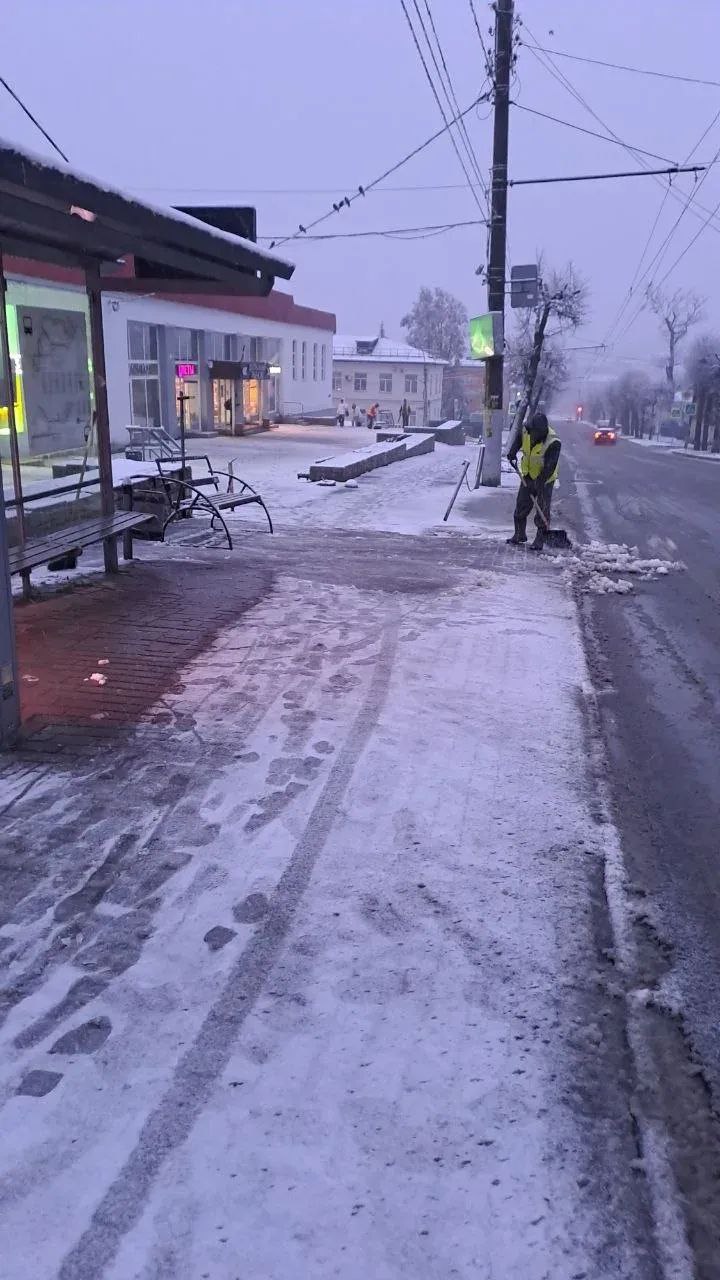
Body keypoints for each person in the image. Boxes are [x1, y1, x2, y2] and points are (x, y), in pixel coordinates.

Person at [506, 411, 561, 551]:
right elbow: (519, 438)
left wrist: (537, 484)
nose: (539, 436)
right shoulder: (526, 430)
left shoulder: (553, 442)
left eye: (541, 434)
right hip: (528, 474)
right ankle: (519, 535)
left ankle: (540, 539)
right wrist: (513, 451)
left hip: (546, 479)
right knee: (521, 504)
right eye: (537, 433)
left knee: (542, 508)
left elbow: (549, 467)